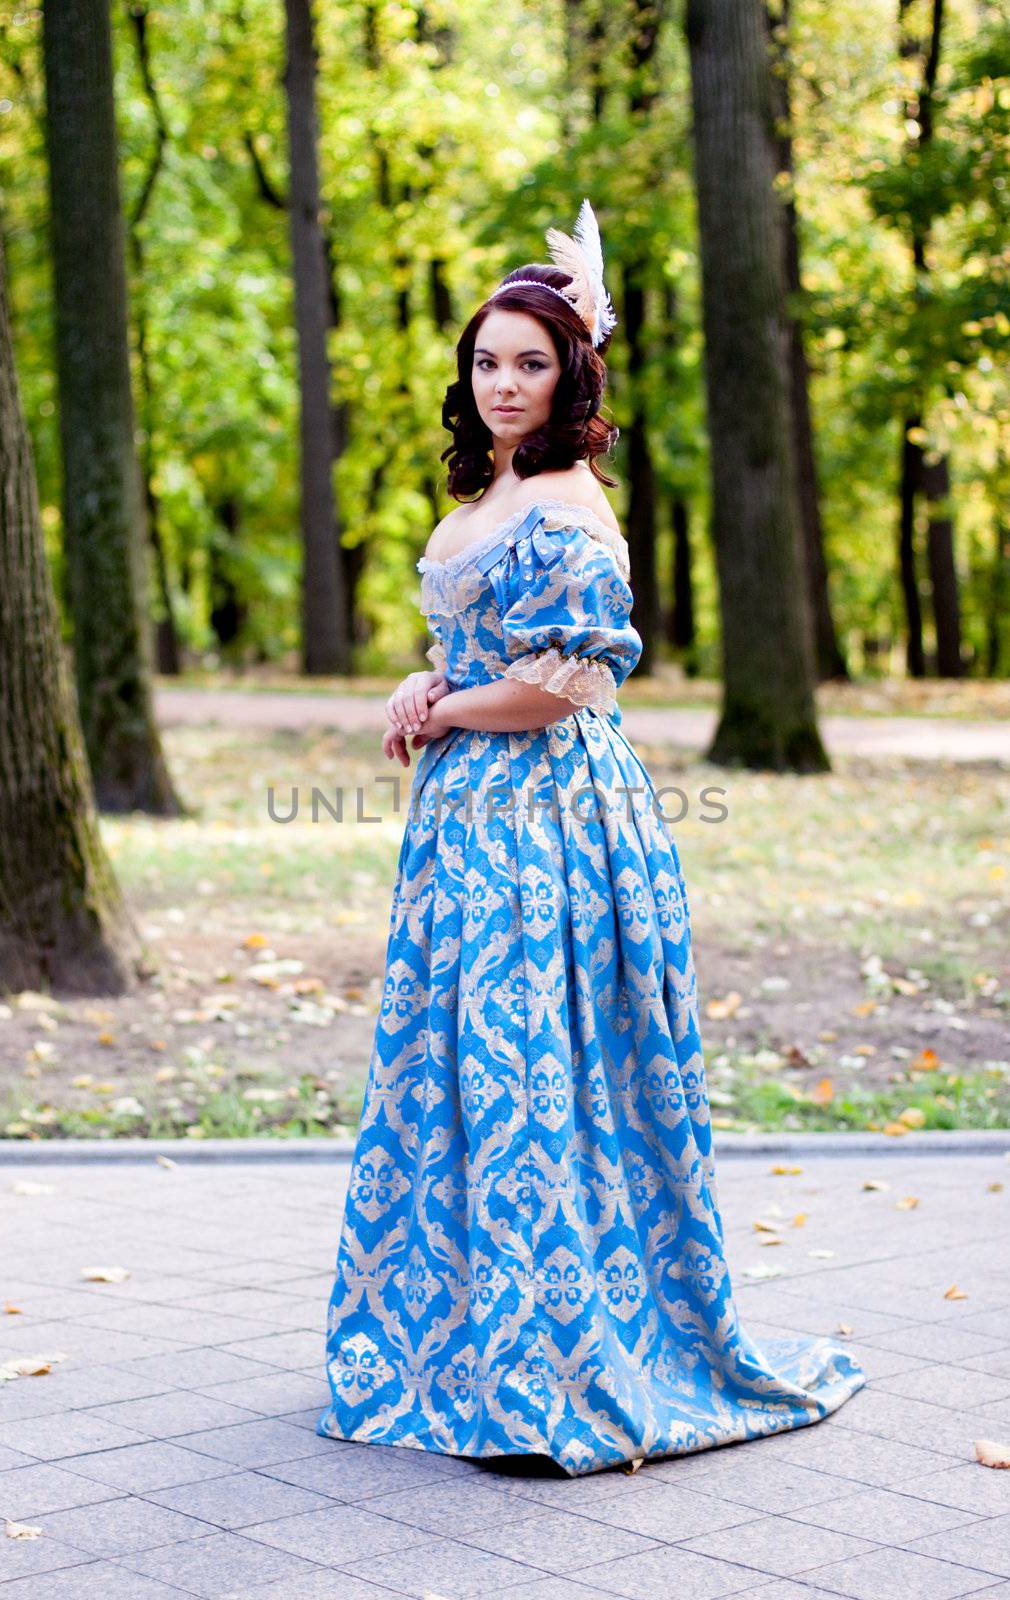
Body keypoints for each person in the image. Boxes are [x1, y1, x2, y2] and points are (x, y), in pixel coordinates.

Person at [314, 200, 866, 1476]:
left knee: (530, 1071)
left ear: (571, 375)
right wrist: (421, 689)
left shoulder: (566, 501)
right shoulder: (493, 489)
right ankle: (463, 1341)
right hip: (467, 818)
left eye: (529, 361)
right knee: (460, 1067)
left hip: (546, 820)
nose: (502, 382)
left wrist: (445, 706)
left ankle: (553, 1360)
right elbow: (476, 652)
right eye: (485, 360)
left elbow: (570, 682)